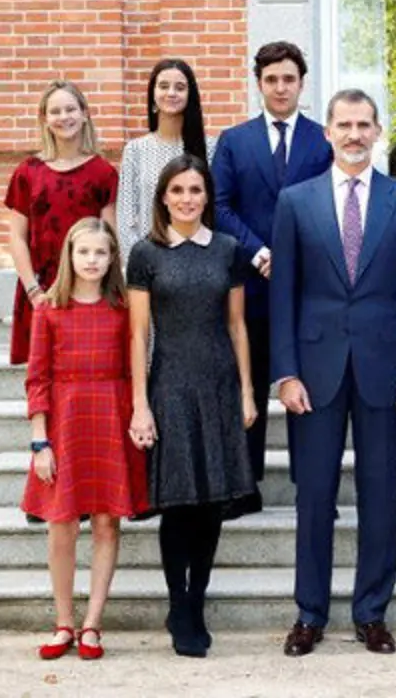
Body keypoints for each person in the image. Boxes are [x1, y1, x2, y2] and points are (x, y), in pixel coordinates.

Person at [271, 89, 396, 658]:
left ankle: (371, 612)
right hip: (313, 372)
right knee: (314, 494)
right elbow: (283, 294)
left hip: (385, 369)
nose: (355, 134)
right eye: (344, 124)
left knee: (380, 491)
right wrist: (284, 372)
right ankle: (309, 613)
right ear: (328, 132)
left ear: (379, 130)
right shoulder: (295, 201)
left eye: (365, 124)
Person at [127, 155, 260, 658]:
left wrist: (248, 391)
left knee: (211, 507)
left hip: (220, 384)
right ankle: (178, 603)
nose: (187, 199)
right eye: (178, 190)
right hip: (171, 386)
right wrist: (141, 404)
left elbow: (237, 326)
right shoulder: (146, 253)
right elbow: (139, 333)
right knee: (179, 503)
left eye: (196, 190)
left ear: (208, 197)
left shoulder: (227, 249)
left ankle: (197, 601)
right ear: (164, 196)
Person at [23, 218, 148, 661]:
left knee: (105, 523)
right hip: (65, 422)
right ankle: (63, 622)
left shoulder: (123, 308)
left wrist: (138, 412)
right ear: (69, 257)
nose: (92, 260)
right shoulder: (49, 310)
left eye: (101, 252)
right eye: (84, 252)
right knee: (61, 524)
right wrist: (41, 441)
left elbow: (135, 369)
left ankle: (93, 624)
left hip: (111, 418)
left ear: (113, 257)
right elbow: (36, 378)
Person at [213, 41, 334, 482]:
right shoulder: (233, 141)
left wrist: (295, 256)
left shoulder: (323, 140)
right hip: (251, 283)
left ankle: (312, 485)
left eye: (289, 79)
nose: (280, 88)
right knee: (249, 380)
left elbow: (332, 205)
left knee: (307, 386)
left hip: (309, 288)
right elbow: (220, 206)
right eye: (271, 80)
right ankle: (245, 486)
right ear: (258, 84)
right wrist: (261, 251)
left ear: (302, 83)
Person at [6, 81, 118, 365]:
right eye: (55, 111)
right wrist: (33, 290)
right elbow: (17, 237)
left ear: (84, 114)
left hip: (88, 288)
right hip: (41, 289)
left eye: (70, 109)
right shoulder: (27, 172)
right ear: (44, 118)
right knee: (42, 377)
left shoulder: (102, 172)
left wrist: (105, 290)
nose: (64, 117)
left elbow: (110, 236)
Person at [117, 59, 217, 266]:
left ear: (190, 96)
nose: (171, 93)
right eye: (163, 86)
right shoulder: (136, 150)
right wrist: (137, 267)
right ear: (153, 93)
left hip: (200, 264)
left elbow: (216, 211)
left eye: (179, 87)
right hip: (150, 264)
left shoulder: (211, 148)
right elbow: (126, 219)